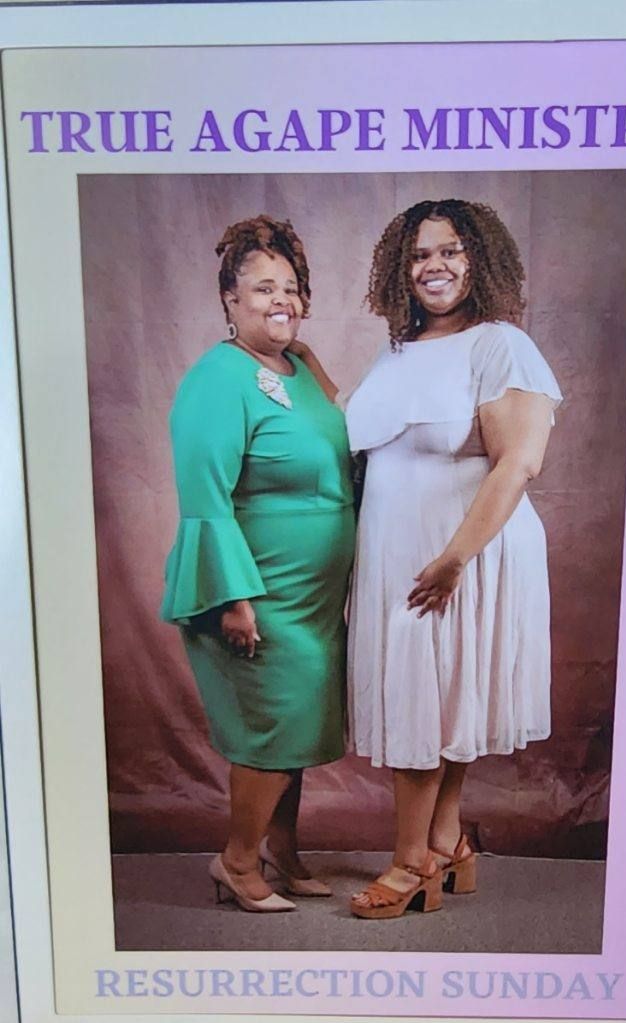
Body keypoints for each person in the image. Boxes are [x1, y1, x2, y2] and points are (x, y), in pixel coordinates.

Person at [344, 198, 563, 919]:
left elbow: (518, 462)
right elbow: (367, 438)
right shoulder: (396, 350)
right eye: (418, 255)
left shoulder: (501, 345)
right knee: (436, 696)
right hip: (397, 552)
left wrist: (454, 559)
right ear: (398, 268)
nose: (431, 266)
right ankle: (445, 841)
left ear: (479, 259)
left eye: (449, 251)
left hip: (460, 551)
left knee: (430, 697)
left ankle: (411, 861)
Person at [161, 215, 355, 912]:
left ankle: (282, 851)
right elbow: (204, 497)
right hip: (257, 593)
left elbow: (338, 443)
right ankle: (237, 864)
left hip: (310, 599)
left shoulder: (299, 367)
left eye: (291, 287)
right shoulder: (217, 378)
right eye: (264, 287)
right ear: (230, 299)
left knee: (294, 727)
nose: (282, 299)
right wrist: (232, 596)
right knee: (272, 729)